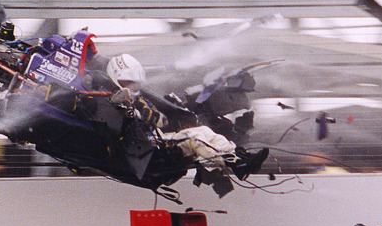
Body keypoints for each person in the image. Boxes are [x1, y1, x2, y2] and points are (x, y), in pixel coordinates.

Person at [101, 53, 269, 180]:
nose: (132, 86)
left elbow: (161, 120)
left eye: (134, 83)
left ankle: (241, 158)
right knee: (195, 138)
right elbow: (123, 124)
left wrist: (168, 108)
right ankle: (234, 161)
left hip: (157, 141)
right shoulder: (112, 102)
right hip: (148, 148)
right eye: (128, 83)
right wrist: (132, 111)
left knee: (202, 129)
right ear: (117, 79)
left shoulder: (139, 101)